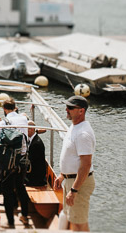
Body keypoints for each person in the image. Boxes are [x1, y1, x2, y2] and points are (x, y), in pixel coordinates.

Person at [53, 96, 96, 231]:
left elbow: (86, 165)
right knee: (75, 219)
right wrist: (62, 175)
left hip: (78, 184)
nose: (67, 109)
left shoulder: (83, 134)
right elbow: (72, 157)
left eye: (70, 108)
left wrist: (74, 190)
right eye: (67, 107)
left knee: (78, 223)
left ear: (81, 111)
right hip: (71, 180)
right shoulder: (74, 126)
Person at [0, 98, 31, 228]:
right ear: (15, 107)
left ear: (5, 109)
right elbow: (26, 140)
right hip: (22, 159)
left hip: (9, 161)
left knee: (7, 190)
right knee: (20, 187)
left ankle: (11, 222)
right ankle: (24, 215)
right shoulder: (24, 119)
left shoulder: (4, 121)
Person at [25, 121, 48, 186]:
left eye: (26, 129)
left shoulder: (36, 144)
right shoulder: (33, 140)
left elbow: (31, 161)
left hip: (36, 178)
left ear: (31, 129)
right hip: (35, 174)